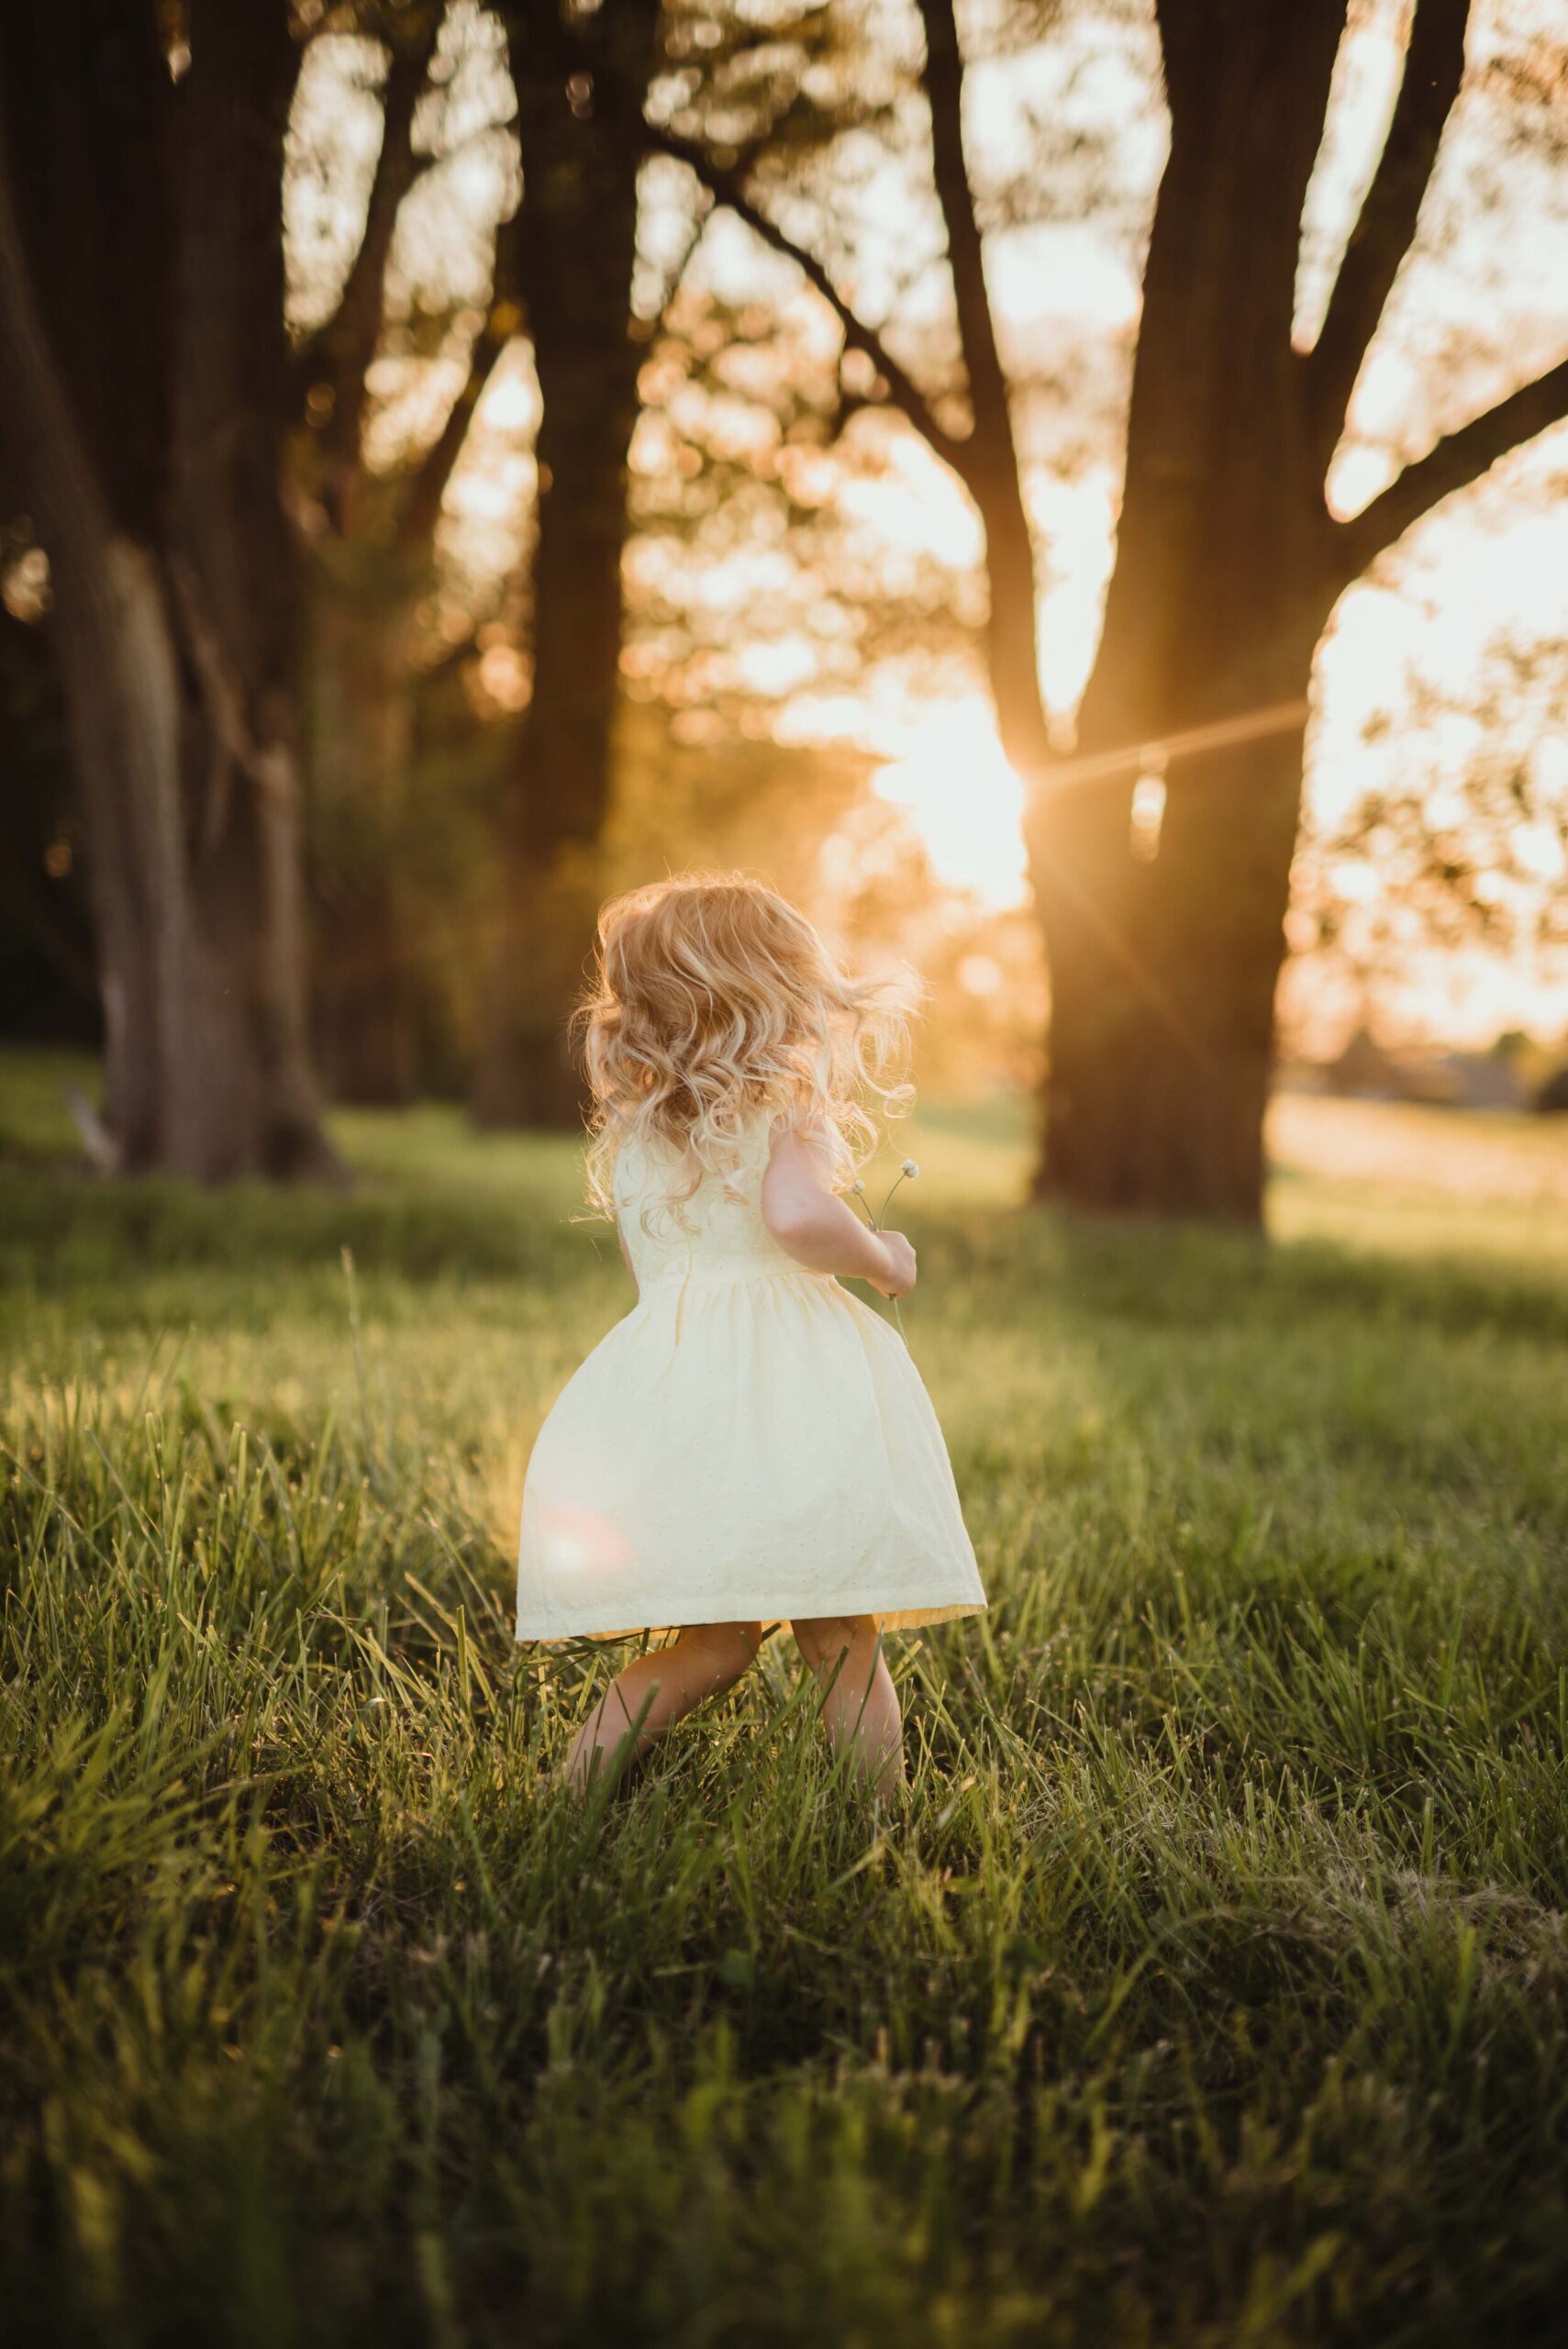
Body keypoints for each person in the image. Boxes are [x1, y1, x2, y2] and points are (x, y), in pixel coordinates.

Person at [515, 872, 985, 1802]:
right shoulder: (786, 1108)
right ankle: (876, 1828)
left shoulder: (641, 1133)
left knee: (711, 1646)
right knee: (839, 1637)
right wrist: (881, 1256)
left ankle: (569, 1795)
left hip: (679, 1403)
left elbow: (652, 1272)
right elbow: (795, 1215)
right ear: (774, 989)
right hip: (789, 1400)